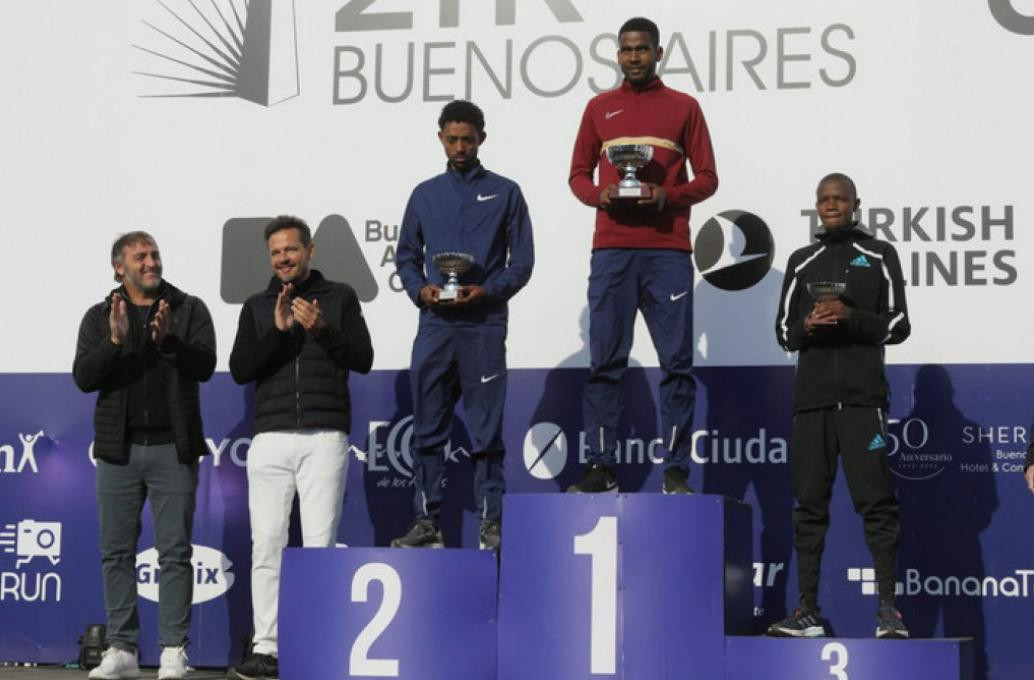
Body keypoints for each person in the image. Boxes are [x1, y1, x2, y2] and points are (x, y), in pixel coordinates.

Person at [567, 16, 717, 494]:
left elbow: (708, 178)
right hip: (612, 251)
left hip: (667, 252)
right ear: (618, 54)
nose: (634, 57)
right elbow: (577, 176)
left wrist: (665, 197)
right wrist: (601, 197)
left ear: (659, 52)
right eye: (626, 49)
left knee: (676, 364)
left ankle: (675, 469)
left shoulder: (684, 107)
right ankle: (601, 464)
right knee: (606, 363)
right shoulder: (599, 108)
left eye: (642, 49)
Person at [229, 215, 373, 680]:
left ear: (309, 252)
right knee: (267, 544)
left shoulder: (340, 297)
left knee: (318, 546)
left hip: (324, 436)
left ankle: (318, 641)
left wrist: (322, 330)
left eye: (291, 250)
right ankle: (266, 647)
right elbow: (240, 369)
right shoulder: (256, 305)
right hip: (270, 438)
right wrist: (277, 331)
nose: (283, 259)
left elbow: (363, 358)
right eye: (275, 252)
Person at [769, 173, 911, 639]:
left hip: (862, 401)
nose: (832, 206)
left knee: (877, 505)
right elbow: (782, 332)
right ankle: (806, 610)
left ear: (855, 204)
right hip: (811, 403)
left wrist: (850, 316)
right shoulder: (801, 260)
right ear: (817, 206)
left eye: (840, 199)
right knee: (809, 506)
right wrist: (809, 325)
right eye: (825, 199)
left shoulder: (878, 255)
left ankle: (888, 611)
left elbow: (899, 323)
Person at [391, 99, 534, 550]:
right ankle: (427, 519)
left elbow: (523, 261)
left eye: (467, 139)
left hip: (483, 325)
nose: (459, 147)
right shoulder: (424, 193)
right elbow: (406, 257)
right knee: (429, 428)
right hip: (435, 324)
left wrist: (487, 290)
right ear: (440, 138)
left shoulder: (506, 191)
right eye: (452, 139)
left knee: (486, 430)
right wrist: (421, 290)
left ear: (481, 140)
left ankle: (491, 522)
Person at [73, 232, 216, 680]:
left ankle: (174, 649)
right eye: (141, 256)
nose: (152, 261)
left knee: (174, 552)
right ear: (120, 267)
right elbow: (84, 377)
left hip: (173, 448)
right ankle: (123, 648)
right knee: (115, 551)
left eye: (155, 254)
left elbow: (206, 366)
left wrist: (170, 341)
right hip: (118, 450)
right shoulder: (100, 316)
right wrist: (114, 343)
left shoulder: (188, 308)